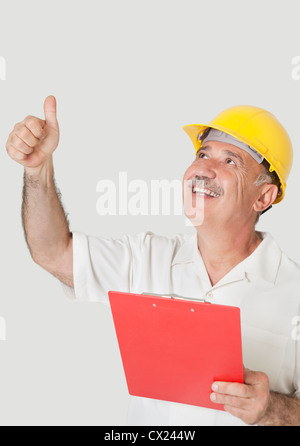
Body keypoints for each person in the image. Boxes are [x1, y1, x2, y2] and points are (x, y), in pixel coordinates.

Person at [6, 96, 300, 426]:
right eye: (203, 154)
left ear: (264, 197)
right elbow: (53, 253)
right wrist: (38, 169)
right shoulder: (146, 257)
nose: (202, 168)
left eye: (230, 161)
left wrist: (273, 409)